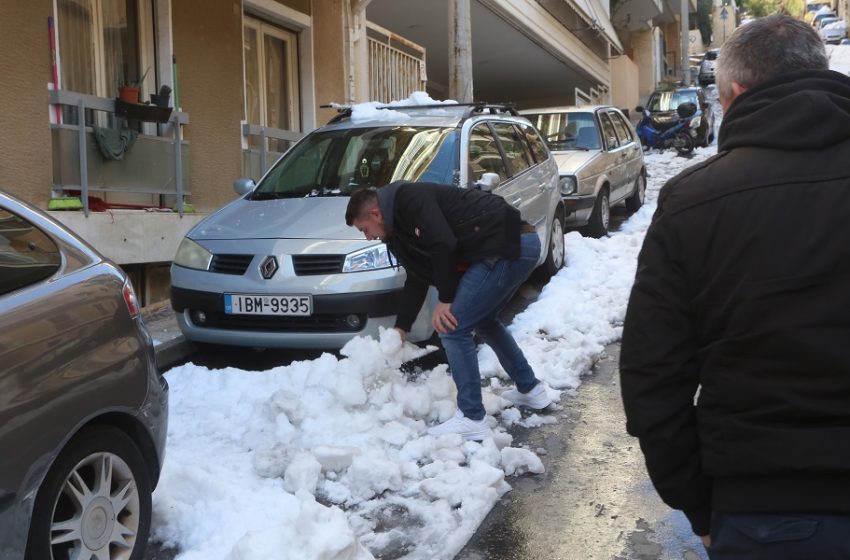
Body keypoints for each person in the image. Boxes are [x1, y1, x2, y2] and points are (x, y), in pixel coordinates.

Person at [620, 14, 850, 559]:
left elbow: (653, 377)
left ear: (738, 93)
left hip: (764, 512)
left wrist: (698, 503)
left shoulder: (694, 201)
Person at [345, 181, 552, 440]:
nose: (368, 237)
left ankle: (472, 417)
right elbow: (417, 278)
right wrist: (401, 327)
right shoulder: (397, 231)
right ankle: (530, 389)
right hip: (510, 246)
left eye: (365, 229)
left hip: (508, 245)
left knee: (453, 328)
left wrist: (446, 298)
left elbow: (444, 243)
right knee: (484, 321)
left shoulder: (409, 199)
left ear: (375, 214)